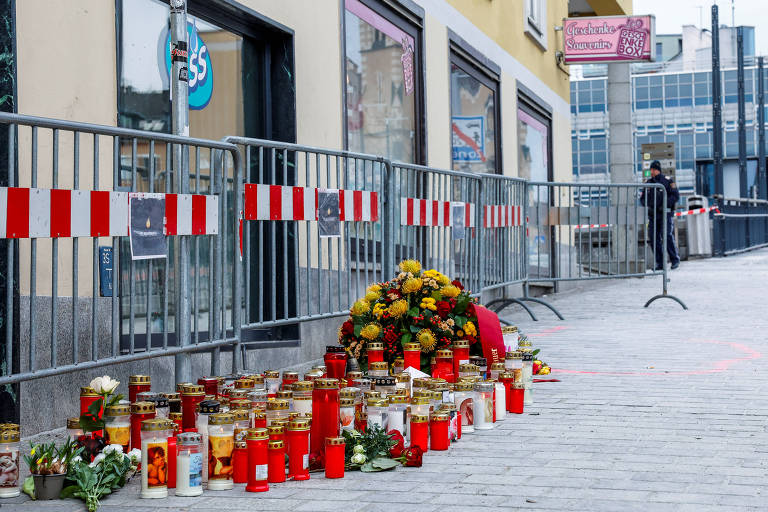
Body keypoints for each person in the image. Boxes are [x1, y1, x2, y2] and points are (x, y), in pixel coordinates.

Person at [640, 160, 680, 270]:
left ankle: (674, 259)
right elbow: (642, 199)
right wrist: (649, 206)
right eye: (650, 170)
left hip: (665, 214)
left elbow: (676, 196)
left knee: (667, 236)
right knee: (653, 238)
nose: (650, 172)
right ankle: (660, 263)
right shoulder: (648, 183)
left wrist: (665, 204)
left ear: (656, 170)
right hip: (653, 216)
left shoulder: (667, 181)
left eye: (652, 170)